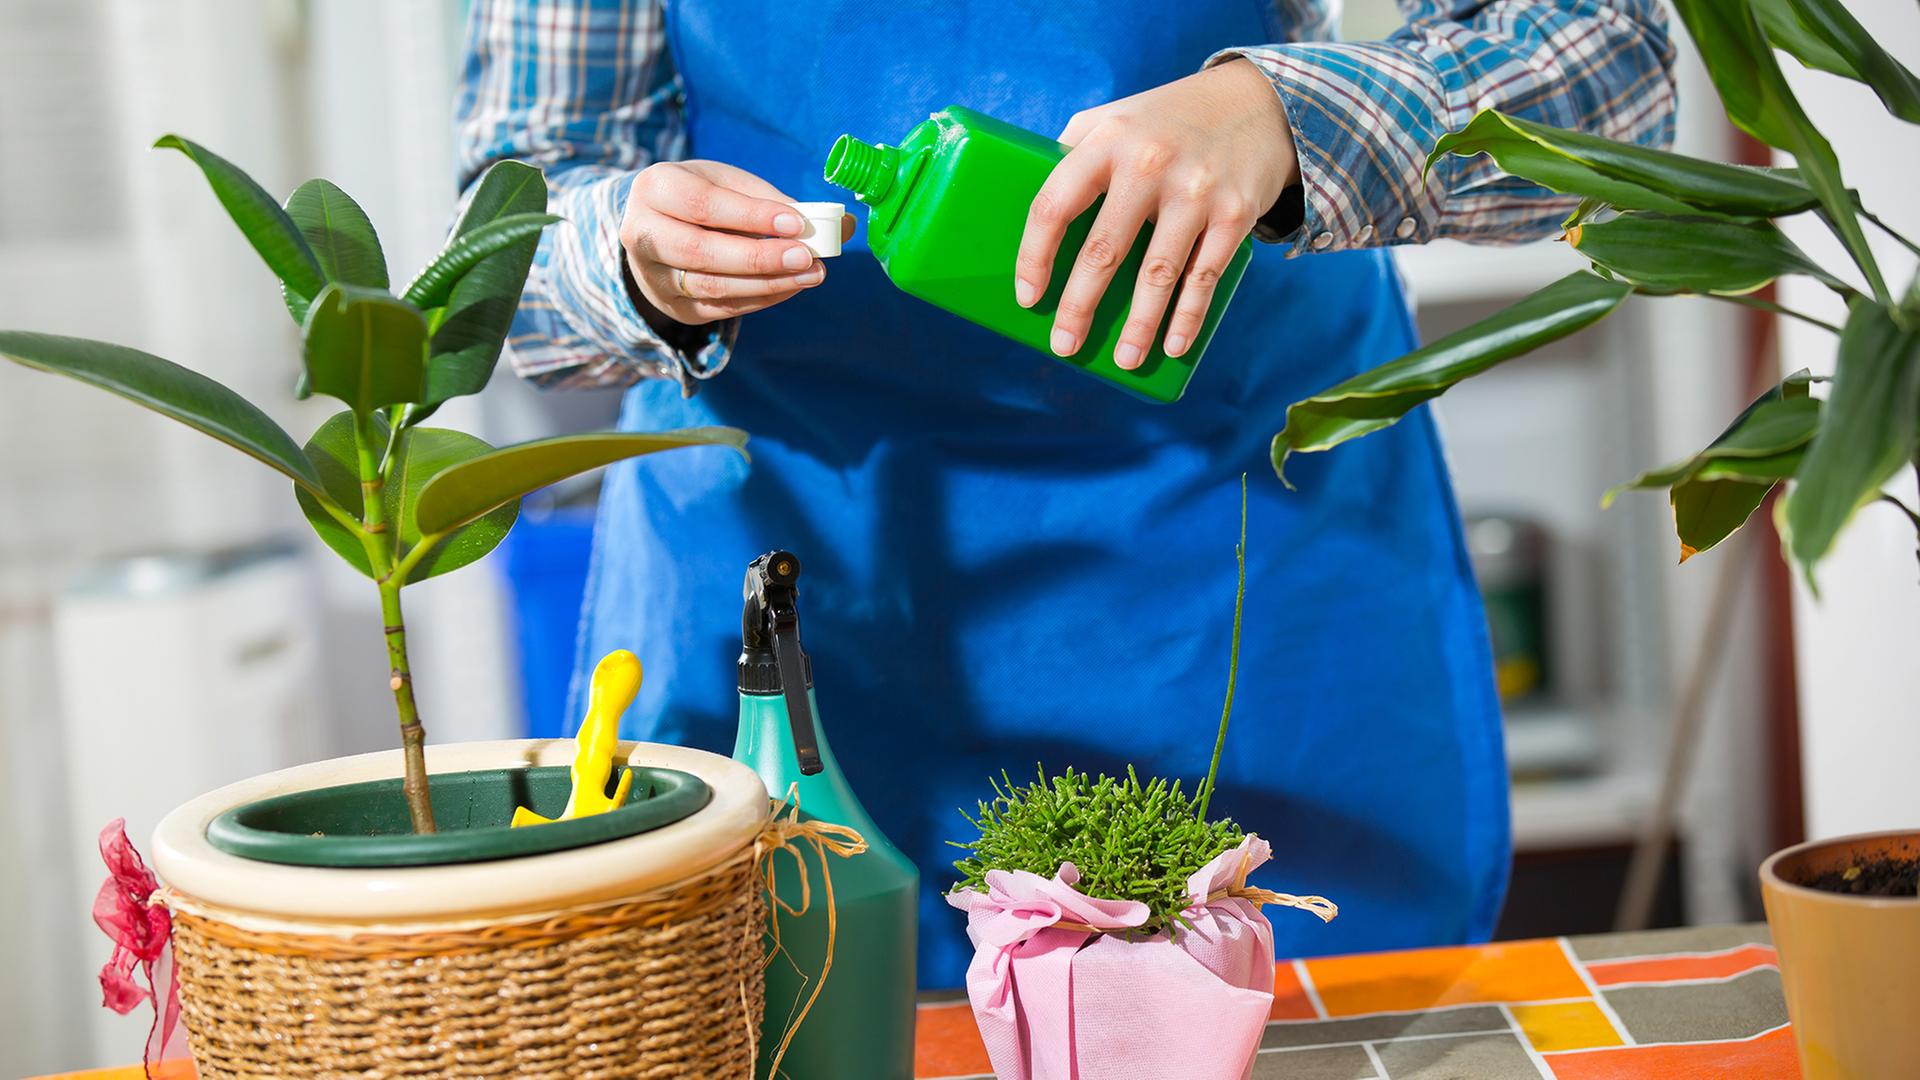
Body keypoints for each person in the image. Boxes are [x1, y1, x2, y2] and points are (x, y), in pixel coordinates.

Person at [456, 0, 1675, 987]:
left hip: (1236, 530)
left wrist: (1279, 116)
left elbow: (1607, 69)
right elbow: (506, 251)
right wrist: (621, 248)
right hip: (804, 562)